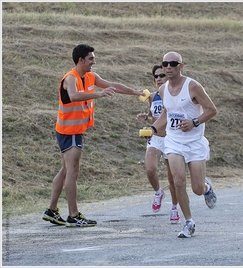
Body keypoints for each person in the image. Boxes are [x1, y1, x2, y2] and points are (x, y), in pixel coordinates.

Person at [42, 44, 144, 227]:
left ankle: (51, 210)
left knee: (65, 170)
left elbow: (113, 85)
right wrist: (99, 94)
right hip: (69, 132)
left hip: (72, 131)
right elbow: (73, 96)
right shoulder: (70, 78)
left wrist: (133, 92)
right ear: (81, 60)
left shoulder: (90, 77)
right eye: (91, 59)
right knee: (72, 172)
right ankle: (73, 215)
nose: (94, 62)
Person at [150, 51, 218, 238]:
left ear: (181, 66)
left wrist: (194, 122)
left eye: (173, 63)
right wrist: (153, 129)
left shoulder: (193, 86)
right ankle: (188, 222)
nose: (169, 67)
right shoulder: (163, 90)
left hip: (195, 142)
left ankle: (207, 188)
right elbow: (167, 112)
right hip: (173, 141)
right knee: (178, 181)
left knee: (197, 188)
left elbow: (212, 110)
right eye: (165, 64)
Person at [136, 65, 180, 224]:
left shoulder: (174, 95)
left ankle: (175, 206)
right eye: (156, 76)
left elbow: (170, 116)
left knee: (172, 178)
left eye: (162, 75)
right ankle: (158, 192)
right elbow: (153, 115)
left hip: (171, 138)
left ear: (168, 78)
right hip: (155, 138)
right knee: (150, 168)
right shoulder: (152, 96)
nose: (160, 78)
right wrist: (145, 117)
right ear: (154, 81)